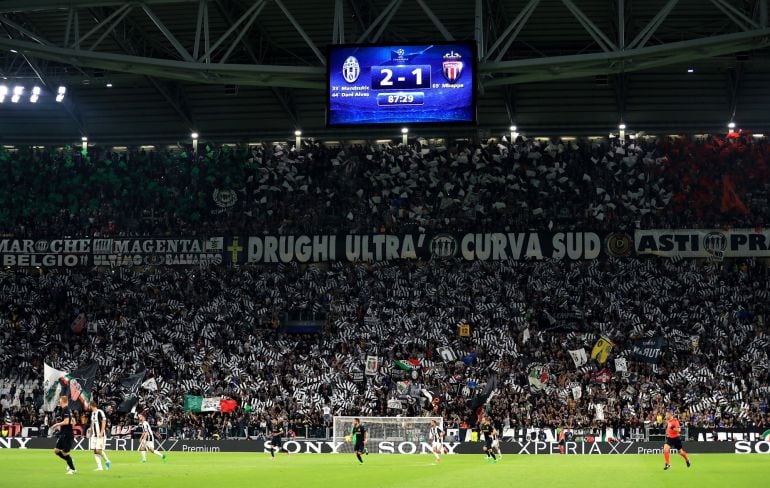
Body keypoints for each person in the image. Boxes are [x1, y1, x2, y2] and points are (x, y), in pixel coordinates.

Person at [51, 395, 77, 475]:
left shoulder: (66, 409)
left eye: (60, 400)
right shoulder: (68, 410)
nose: (59, 401)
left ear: (62, 401)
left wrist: (56, 424)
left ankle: (72, 469)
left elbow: (66, 422)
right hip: (63, 434)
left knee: (65, 453)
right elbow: (73, 422)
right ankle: (70, 460)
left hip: (67, 434)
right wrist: (71, 423)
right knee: (56, 450)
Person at [89, 400, 111, 471]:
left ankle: (107, 461)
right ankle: (100, 467)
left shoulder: (100, 412)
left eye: (89, 406)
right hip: (94, 435)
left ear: (91, 405)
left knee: (98, 450)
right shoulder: (92, 413)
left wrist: (101, 432)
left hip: (100, 434)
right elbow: (92, 424)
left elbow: (104, 422)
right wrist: (91, 433)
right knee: (95, 450)